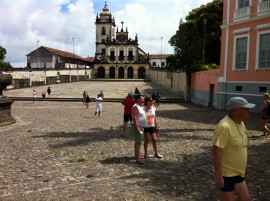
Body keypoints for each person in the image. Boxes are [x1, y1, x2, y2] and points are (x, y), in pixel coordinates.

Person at [213, 97, 255, 201]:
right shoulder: (224, 126)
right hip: (226, 174)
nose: (249, 111)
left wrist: (244, 164)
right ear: (237, 110)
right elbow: (216, 150)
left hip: (239, 171)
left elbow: (241, 146)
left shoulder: (241, 123)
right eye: (246, 108)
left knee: (246, 198)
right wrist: (218, 174)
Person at [131, 95, 145, 164]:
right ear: (137, 99)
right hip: (138, 126)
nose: (143, 101)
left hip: (141, 126)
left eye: (143, 100)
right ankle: (137, 158)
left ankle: (137, 155)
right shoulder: (136, 106)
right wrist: (137, 128)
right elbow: (134, 118)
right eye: (142, 99)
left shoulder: (140, 106)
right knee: (138, 143)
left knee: (138, 142)